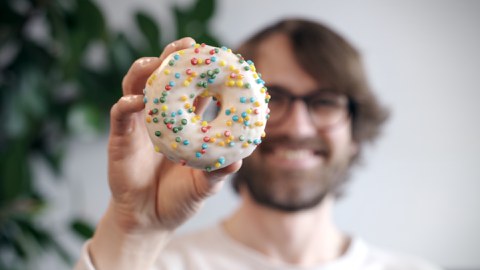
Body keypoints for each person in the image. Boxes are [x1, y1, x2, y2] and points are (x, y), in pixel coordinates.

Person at [75, 19, 441, 270]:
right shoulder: (154, 263)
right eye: (276, 97)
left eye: (324, 101)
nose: (298, 126)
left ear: (356, 132)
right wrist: (134, 229)